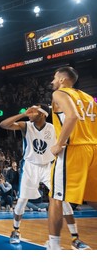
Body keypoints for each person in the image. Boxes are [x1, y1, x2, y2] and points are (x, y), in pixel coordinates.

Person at [0, 103, 90, 249]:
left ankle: (75, 238)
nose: (29, 113)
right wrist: (23, 114)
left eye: (33, 111)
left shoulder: (54, 128)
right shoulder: (26, 125)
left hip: (49, 166)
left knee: (63, 201)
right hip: (30, 167)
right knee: (22, 200)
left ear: (42, 114)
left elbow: (66, 141)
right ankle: (15, 231)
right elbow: (4, 125)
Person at [48, 66, 97, 250]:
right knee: (93, 199)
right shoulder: (87, 97)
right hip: (93, 148)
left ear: (62, 79)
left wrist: (59, 143)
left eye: (54, 77)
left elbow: (72, 116)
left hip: (74, 149)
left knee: (55, 198)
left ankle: (54, 247)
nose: (53, 81)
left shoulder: (60, 94)